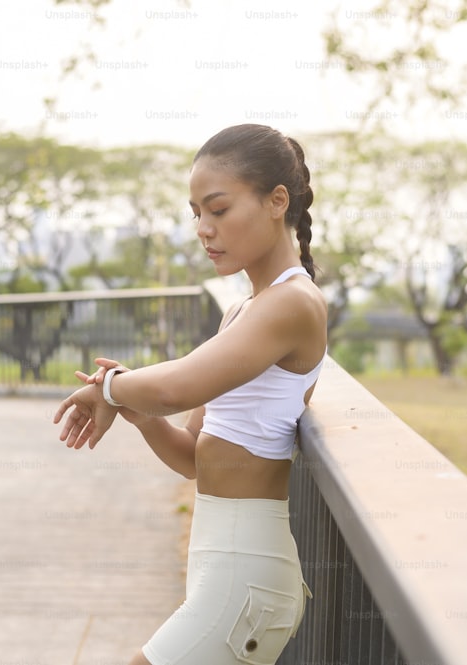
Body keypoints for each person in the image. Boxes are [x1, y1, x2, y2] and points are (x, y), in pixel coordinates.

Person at [53, 123, 327, 665]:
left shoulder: (293, 304)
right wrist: (139, 414)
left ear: (277, 202)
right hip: (222, 568)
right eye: (195, 213)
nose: (203, 229)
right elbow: (194, 459)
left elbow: (178, 385)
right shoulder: (242, 311)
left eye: (218, 210)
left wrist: (111, 388)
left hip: (245, 576)